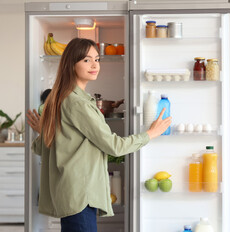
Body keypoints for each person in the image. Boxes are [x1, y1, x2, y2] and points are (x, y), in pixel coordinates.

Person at [26, 37, 171, 232]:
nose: (95, 65)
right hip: (81, 196)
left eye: (97, 59)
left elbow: (43, 148)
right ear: (71, 64)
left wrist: (43, 131)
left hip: (70, 194)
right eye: (86, 60)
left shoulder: (60, 99)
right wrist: (150, 134)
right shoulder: (78, 103)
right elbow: (114, 146)